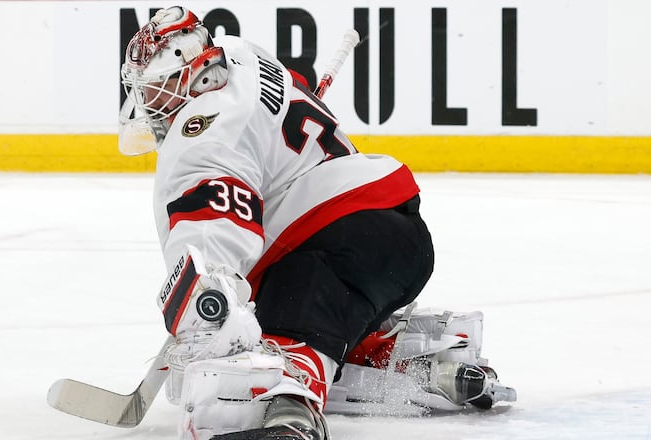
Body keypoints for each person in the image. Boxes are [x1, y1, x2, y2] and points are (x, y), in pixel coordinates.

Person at [119, 6, 434, 440]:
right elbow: (296, 90)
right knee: (310, 306)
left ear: (197, 76)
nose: (150, 104)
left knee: (273, 341)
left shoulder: (202, 130)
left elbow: (213, 219)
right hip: (398, 235)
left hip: (339, 240)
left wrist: (206, 304)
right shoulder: (240, 54)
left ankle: (288, 406)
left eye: (158, 90)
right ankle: (391, 353)